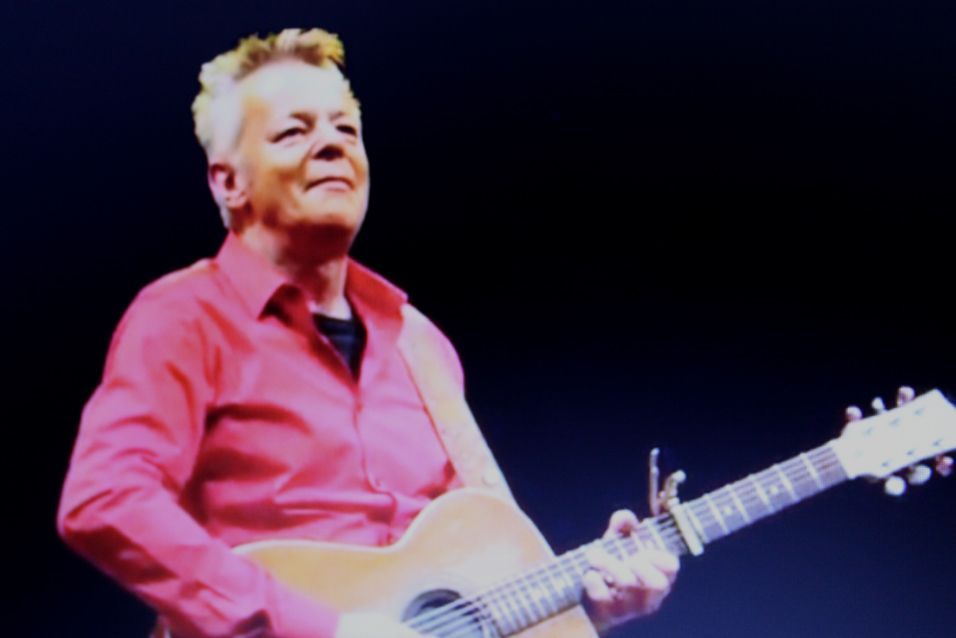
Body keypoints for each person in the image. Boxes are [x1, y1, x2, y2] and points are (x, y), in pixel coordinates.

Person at [57, 28, 679, 638]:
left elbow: (472, 589)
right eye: (294, 131)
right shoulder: (184, 317)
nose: (332, 145)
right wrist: (324, 628)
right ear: (229, 182)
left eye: (345, 129)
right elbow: (103, 500)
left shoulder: (421, 344)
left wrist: (588, 603)